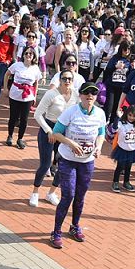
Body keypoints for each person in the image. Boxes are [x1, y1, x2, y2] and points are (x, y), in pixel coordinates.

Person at [48, 81, 106, 248]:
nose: (90, 96)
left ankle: (74, 226)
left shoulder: (100, 113)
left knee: (80, 196)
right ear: (80, 95)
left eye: (93, 93)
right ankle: (56, 232)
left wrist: (99, 147)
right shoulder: (71, 112)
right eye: (86, 93)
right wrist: (71, 143)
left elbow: (101, 133)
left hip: (87, 162)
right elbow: (56, 133)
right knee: (68, 195)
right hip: (68, 160)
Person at [31, 70, 77, 206]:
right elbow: (38, 114)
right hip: (49, 129)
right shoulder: (51, 94)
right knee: (45, 164)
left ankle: (51, 193)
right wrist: (49, 131)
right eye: (64, 79)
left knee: (62, 164)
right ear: (60, 80)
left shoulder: (75, 95)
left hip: (64, 131)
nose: (67, 81)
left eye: (69, 79)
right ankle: (35, 192)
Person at [5, 46, 41, 148]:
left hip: (28, 95)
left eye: (31, 53)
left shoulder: (35, 68)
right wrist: (5, 88)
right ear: (23, 55)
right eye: (26, 53)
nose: (28, 55)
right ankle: (10, 135)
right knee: (13, 116)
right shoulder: (17, 65)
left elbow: (36, 83)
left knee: (24, 119)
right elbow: (7, 74)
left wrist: (34, 96)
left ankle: (20, 138)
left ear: (33, 56)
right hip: (15, 94)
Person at [110, 104, 135, 193]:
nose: (131, 118)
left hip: (132, 150)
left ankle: (126, 182)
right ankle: (115, 182)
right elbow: (114, 129)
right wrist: (117, 117)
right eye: (130, 115)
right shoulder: (122, 123)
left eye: (134, 116)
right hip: (122, 149)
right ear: (126, 114)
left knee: (128, 167)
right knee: (120, 167)